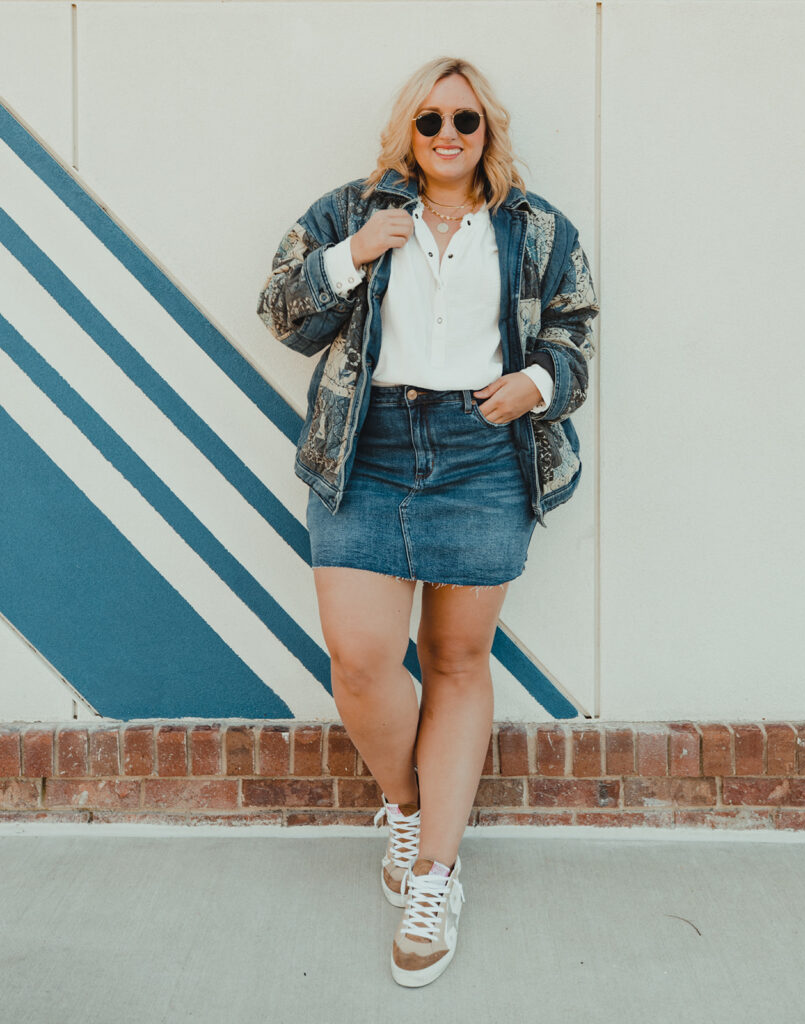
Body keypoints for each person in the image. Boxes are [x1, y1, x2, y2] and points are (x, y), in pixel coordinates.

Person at [257, 55, 598, 987]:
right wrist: (356, 251)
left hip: (482, 454)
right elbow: (281, 313)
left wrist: (534, 383)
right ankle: (411, 806)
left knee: (454, 659)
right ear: (407, 130)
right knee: (361, 658)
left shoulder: (535, 228)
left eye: (466, 121)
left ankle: (434, 872)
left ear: (488, 130)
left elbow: (575, 329)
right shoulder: (349, 209)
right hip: (367, 449)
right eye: (430, 121)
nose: (448, 136)